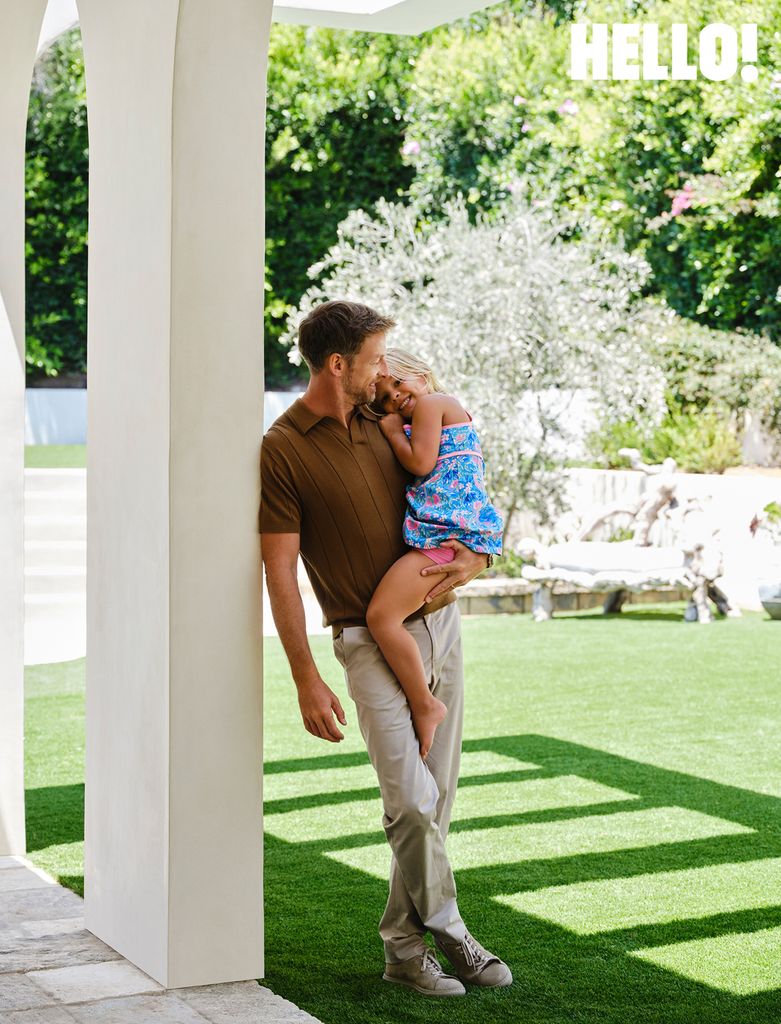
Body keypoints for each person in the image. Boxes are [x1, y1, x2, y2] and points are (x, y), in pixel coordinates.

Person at [260, 300, 512, 997]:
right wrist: (304, 676)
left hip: (439, 625)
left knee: (436, 801)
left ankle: (403, 951)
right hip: (364, 641)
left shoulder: (390, 420)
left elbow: (458, 495)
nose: (385, 373)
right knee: (408, 800)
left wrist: (477, 561)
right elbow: (278, 570)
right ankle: (453, 932)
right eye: (374, 360)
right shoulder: (283, 448)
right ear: (338, 364)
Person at [366, 349, 503, 760]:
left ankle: (426, 705)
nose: (394, 397)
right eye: (384, 396)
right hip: (448, 537)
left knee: (381, 617)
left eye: (398, 381)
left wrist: (391, 432)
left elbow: (422, 464)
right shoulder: (433, 413)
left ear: (421, 373)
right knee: (388, 616)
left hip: (446, 540)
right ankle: (424, 703)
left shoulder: (432, 404)